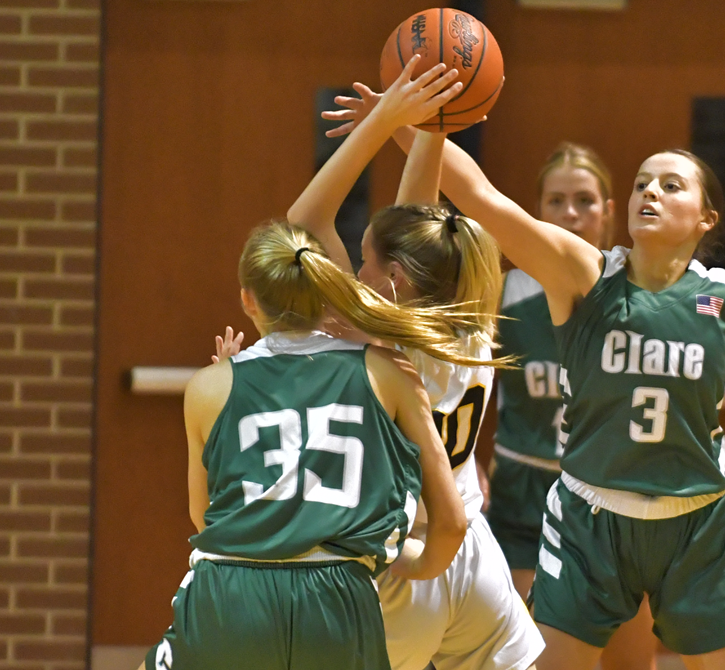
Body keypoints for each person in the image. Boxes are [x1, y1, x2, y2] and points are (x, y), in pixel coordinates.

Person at [323, 88, 725, 670]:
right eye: (640, 184)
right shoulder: (583, 273)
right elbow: (480, 197)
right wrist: (401, 122)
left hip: (697, 523)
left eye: (669, 184)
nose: (648, 192)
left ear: (706, 217)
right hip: (590, 519)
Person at [223, 56, 544, 670]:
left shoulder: (374, 333)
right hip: (474, 554)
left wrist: (383, 124)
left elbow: (301, 227)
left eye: (365, 261)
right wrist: (430, 128)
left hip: (401, 561)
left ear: (393, 281)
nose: (355, 272)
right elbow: (417, 224)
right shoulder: (469, 312)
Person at [142, 220, 473, 670]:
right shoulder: (390, 372)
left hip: (231, 593)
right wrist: (419, 567)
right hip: (338, 595)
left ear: (247, 298)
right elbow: (452, 522)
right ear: (324, 291)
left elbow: (205, 516)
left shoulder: (209, 387)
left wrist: (222, 379)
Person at [485, 142, 657, 670]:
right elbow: (457, 381)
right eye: (556, 201)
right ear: (538, 211)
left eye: (584, 200)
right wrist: (463, 464)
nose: (570, 213)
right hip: (525, 496)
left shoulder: (644, 290)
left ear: (609, 210)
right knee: (534, 659)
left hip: (615, 499)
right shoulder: (503, 290)